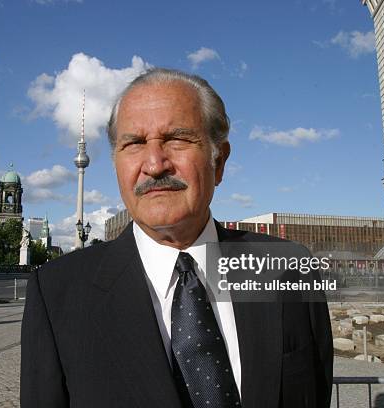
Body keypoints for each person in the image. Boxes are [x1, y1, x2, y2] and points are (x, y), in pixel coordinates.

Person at [20, 68, 333, 408]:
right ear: (115, 166)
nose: (154, 164)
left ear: (219, 161)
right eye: (134, 143)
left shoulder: (286, 270)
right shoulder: (57, 294)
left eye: (177, 139)